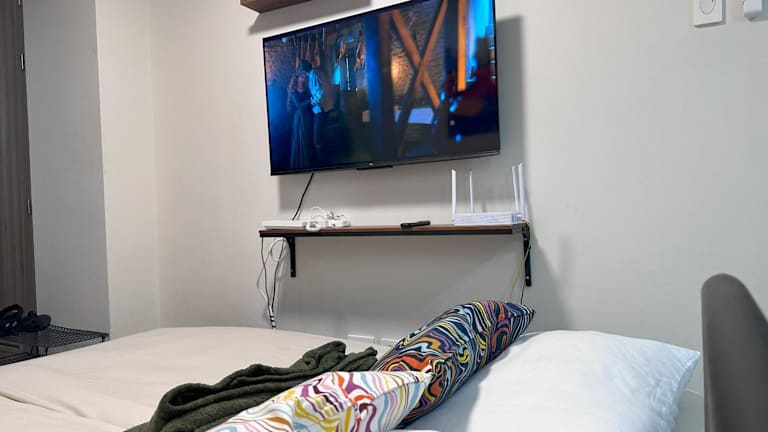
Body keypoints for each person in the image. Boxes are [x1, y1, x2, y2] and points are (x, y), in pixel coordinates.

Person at [288, 65, 315, 169]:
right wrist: (310, 100)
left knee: (308, 139)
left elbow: (310, 102)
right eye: (302, 76)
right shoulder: (294, 91)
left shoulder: (306, 89)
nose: (303, 78)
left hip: (308, 116)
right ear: (298, 77)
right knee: (301, 139)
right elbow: (299, 105)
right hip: (300, 118)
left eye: (304, 76)